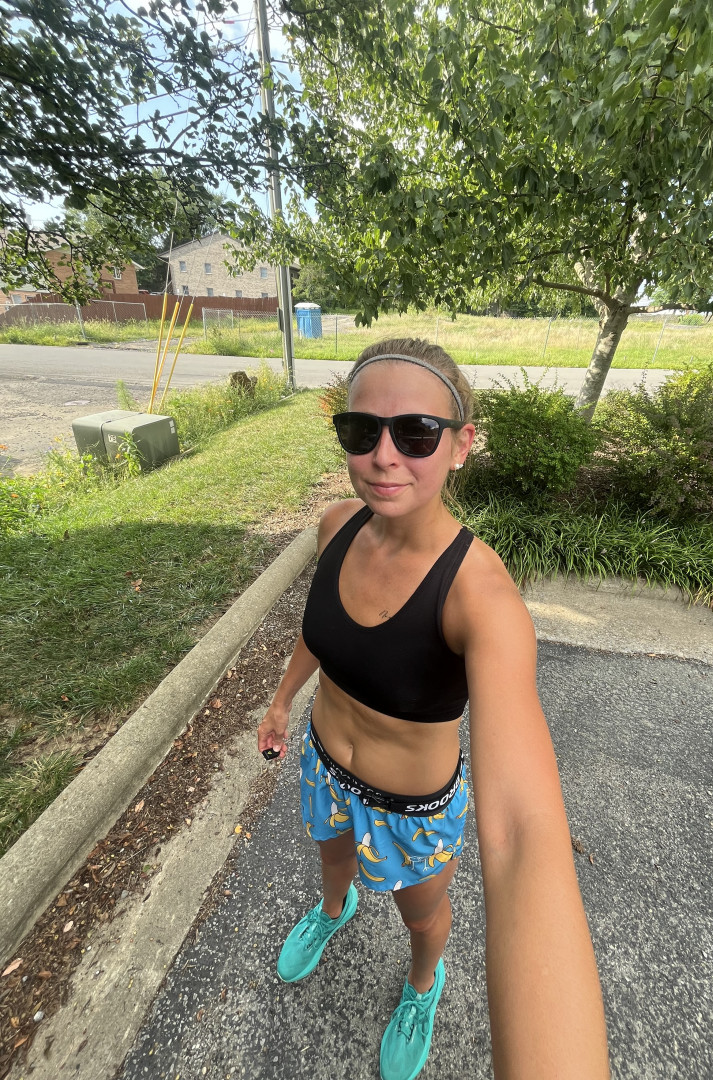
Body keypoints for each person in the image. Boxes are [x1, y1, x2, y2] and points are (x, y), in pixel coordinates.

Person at [258, 338, 610, 1080]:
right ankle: (332, 911)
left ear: (460, 445)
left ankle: (423, 984)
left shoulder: (480, 597)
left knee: (420, 914)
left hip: (410, 807)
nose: (384, 456)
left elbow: (521, 832)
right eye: (362, 431)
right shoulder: (336, 526)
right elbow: (322, 630)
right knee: (331, 858)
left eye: (416, 433)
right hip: (323, 762)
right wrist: (283, 700)